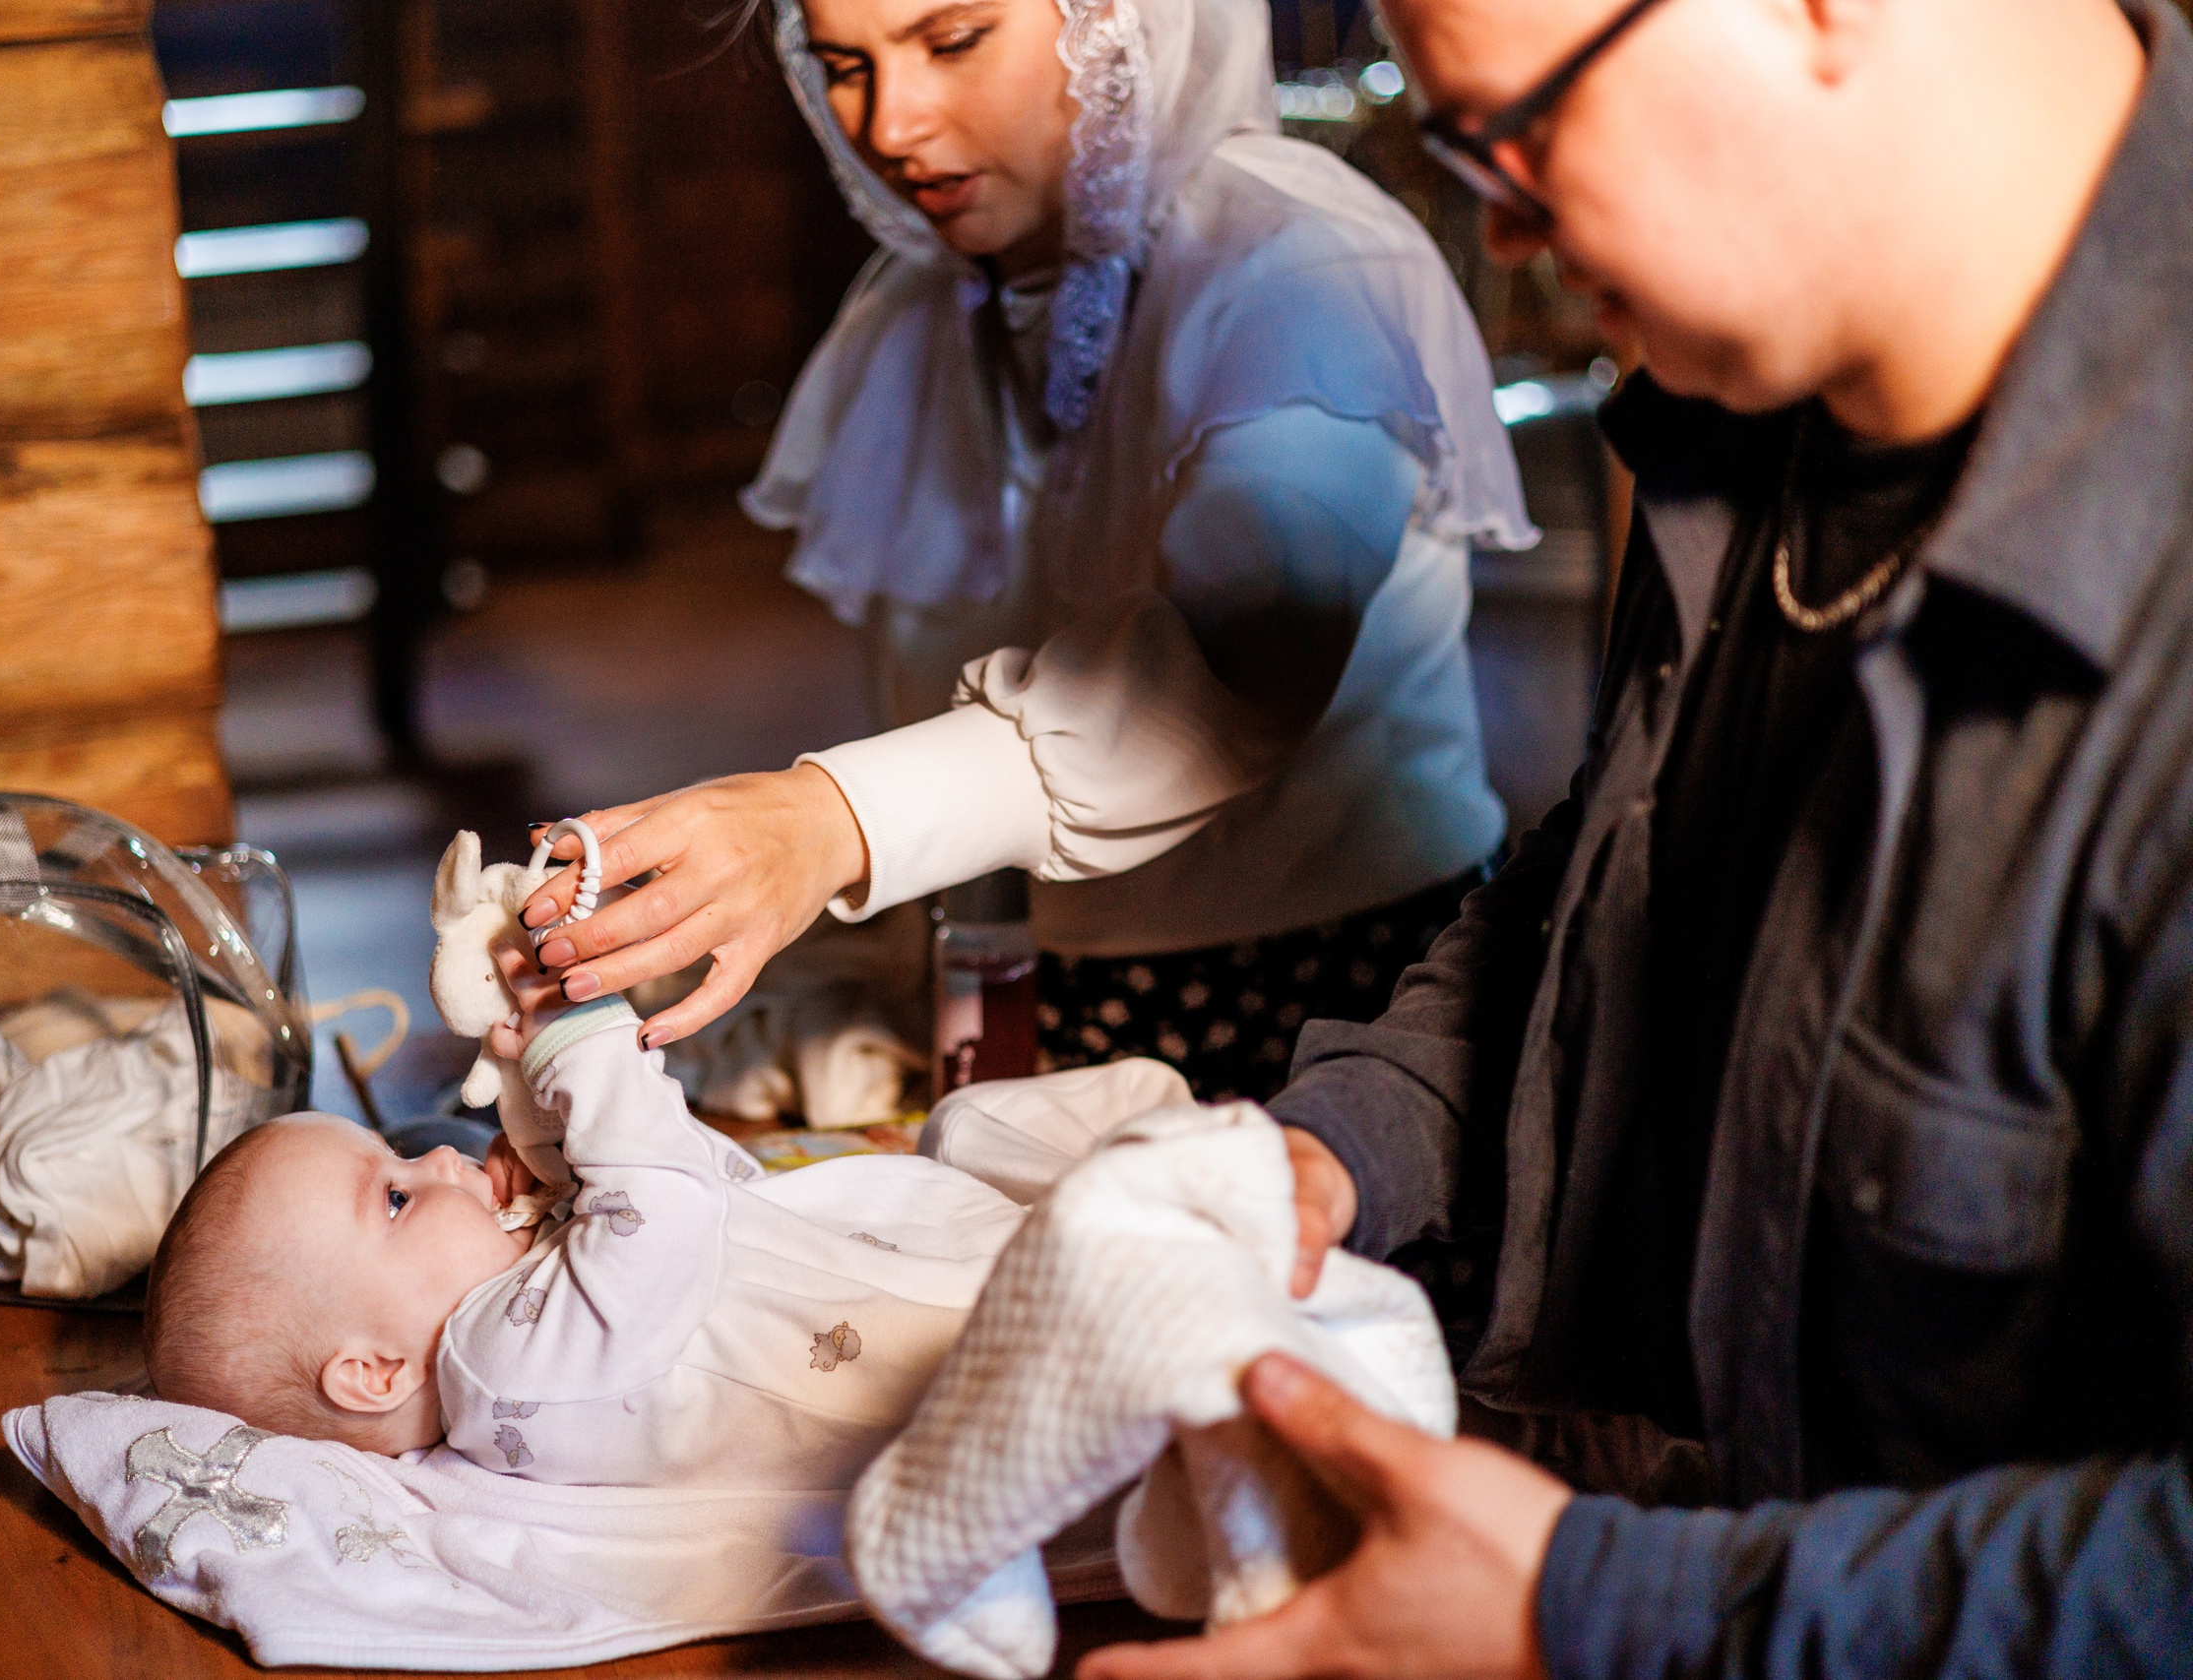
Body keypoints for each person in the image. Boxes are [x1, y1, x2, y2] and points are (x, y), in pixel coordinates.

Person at [1070, 0, 2193, 1675]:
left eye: (1514, 135)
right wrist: (1349, 1141)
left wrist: (1591, 1614)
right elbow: (1605, 903)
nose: (1504, 231)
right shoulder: (1758, 413)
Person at [514, 0, 1534, 1102]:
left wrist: (822, 823)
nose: (890, 125)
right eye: (844, 65)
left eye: (953, 42)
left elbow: (1230, 671)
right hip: (1018, 1007)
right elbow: (938, 718)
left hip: (1325, 1016)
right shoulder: (926, 311)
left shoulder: (1293, 272)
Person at [142, 981, 1027, 1481]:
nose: (443, 1160)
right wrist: (578, 1049)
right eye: (398, 1198)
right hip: (975, 1352)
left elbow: (704, 1180)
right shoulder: (502, 1368)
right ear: (374, 1372)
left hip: (904, 1258)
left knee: (980, 1132)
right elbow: (673, 1208)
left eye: (396, 1158)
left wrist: (549, 1149)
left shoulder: (510, 1314)